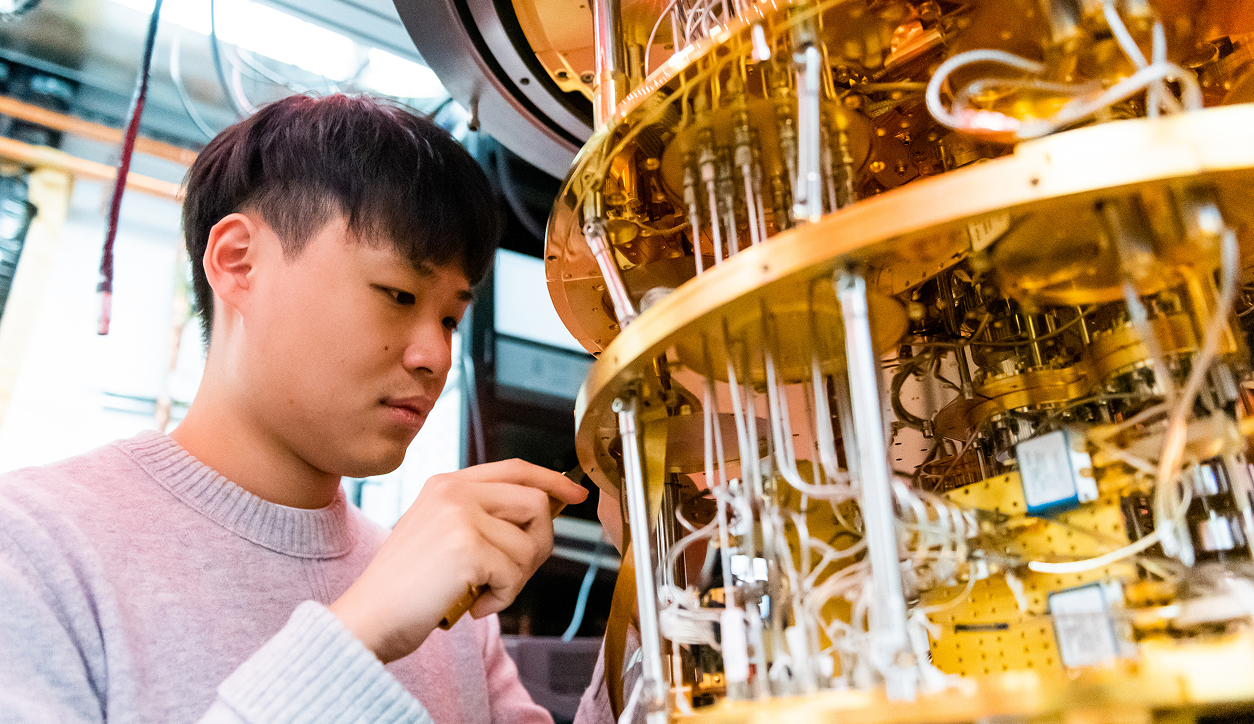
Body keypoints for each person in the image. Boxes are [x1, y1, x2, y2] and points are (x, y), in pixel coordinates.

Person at [0, 93, 598, 723]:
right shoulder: (35, 548)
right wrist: (359, 634)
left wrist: (650, 601)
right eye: (398, 294)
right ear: (239, 262)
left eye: (450, 318)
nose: (434, 356)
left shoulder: (450, 602)